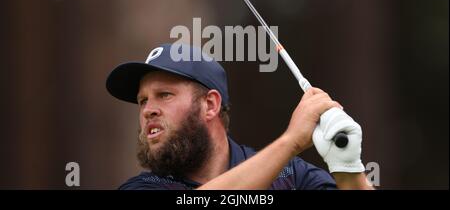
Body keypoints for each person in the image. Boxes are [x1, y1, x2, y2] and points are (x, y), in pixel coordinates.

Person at [106, 43, 373, 190]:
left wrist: (348, 169)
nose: (147, 109)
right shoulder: (144, 188)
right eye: (143, 100)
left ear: (210, 105)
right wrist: (291, 140)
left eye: (164, 95)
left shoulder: (290, 177)